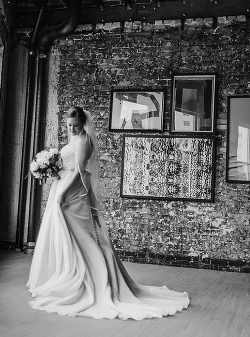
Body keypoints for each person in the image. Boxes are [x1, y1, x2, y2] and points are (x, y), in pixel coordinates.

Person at [27, 106, 189, 320]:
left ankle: (92, 279)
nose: (73, 129)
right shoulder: (76, 140)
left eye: (76, 125)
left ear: (84, 124)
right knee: (66, 235)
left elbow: (80, 171)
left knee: (83, 236)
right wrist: (53, 170)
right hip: (65, 186)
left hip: (74, 192)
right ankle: (64, 274)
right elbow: (69, 165)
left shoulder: (84, 141)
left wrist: (63, 193)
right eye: (69, 126)